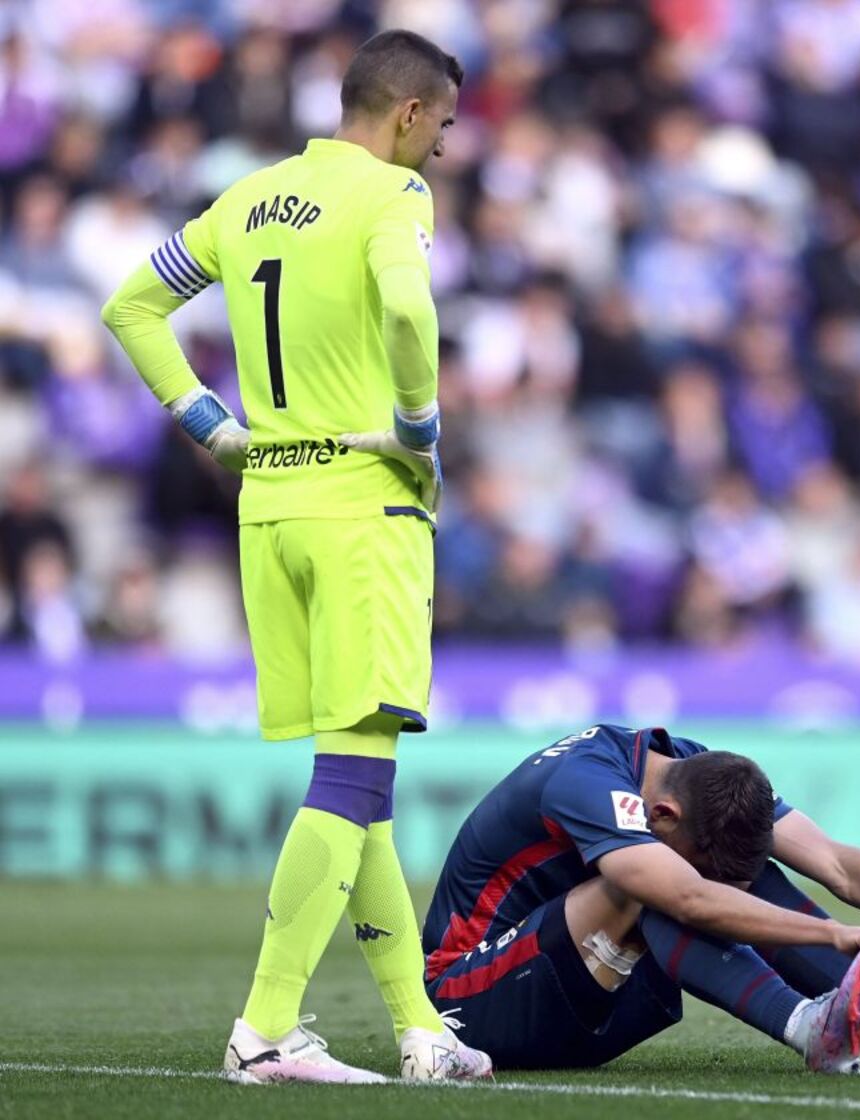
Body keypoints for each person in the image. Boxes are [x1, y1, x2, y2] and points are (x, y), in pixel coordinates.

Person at [100, 30, 491, 1084]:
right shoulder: (393, 198)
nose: (445, 148)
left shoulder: (250, 196)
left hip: (268, 506)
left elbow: (130, 305)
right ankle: (266, 1027)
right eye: (444, 125)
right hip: (364, 508)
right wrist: (419, 425)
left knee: (358, 782)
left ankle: (420, 1029)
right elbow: (410, 308)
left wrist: (203, 419)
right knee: (356, 774)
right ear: (408, 113)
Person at [423, 724, 860, 1072]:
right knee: (655, 884)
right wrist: (835, 934)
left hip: (574, 986)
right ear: (663, 813)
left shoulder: (694, 771)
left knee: (733, 867)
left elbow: (838, 864)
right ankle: (806, 1029)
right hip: (468, 1003)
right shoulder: (584, 781)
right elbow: (686, 895)